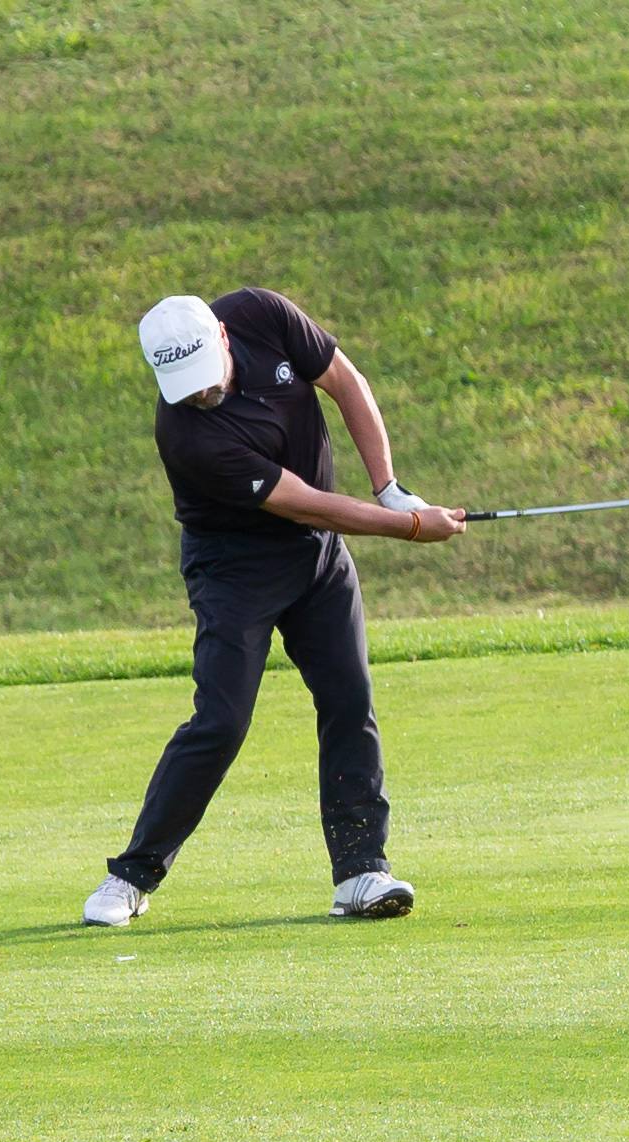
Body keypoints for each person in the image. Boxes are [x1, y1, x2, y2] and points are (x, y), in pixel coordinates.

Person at [83, 289, 466, 926]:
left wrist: (392, 490)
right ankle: (131, 876)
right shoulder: (184, 433)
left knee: (349, 698)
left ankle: (361, 872)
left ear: (225, 340)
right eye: (185, 387)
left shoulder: (262, 314)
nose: (200, 394)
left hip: (316, 559)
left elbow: (346, 383)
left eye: (206, 380)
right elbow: (304, 502)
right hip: (234, 570)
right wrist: (407, 529)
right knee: (222, 721)